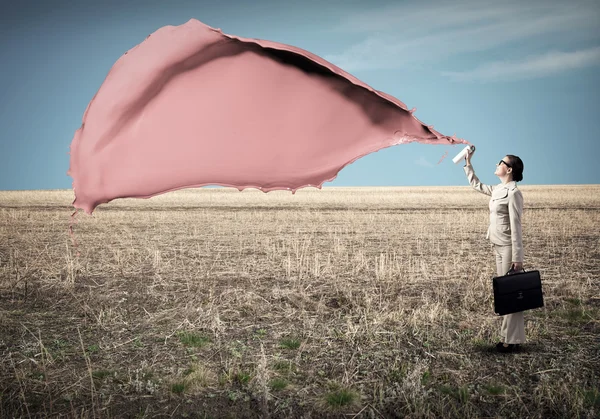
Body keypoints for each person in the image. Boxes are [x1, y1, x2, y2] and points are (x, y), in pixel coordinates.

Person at [463, 149, 525, 353]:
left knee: (510, 293)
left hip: (508, 247)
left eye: (501, 162)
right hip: (496, 244)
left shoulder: (514, 193)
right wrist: (468, 163)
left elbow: (516, 226)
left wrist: (517, 257)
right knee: (505, 293)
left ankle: (512, 340)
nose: (497, 164)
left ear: (508, 169)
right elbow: (476, 185)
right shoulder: (498, 189)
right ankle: (507, 337)